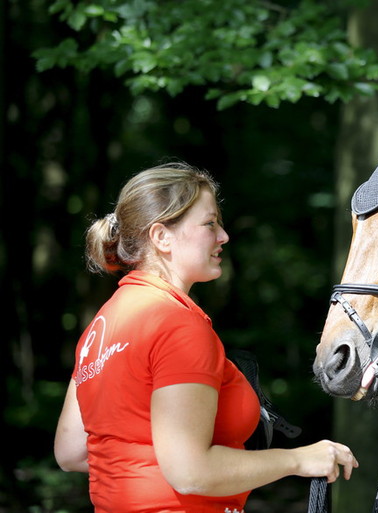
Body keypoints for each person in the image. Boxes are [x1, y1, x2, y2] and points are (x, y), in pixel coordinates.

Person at [54, 162, 358, 513]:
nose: (223, 236)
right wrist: (300, 460)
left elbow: (71, 451)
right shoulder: (177, 324)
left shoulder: (101, 326)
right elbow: (190, 473)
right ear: (161, 237)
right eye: (210, 223)